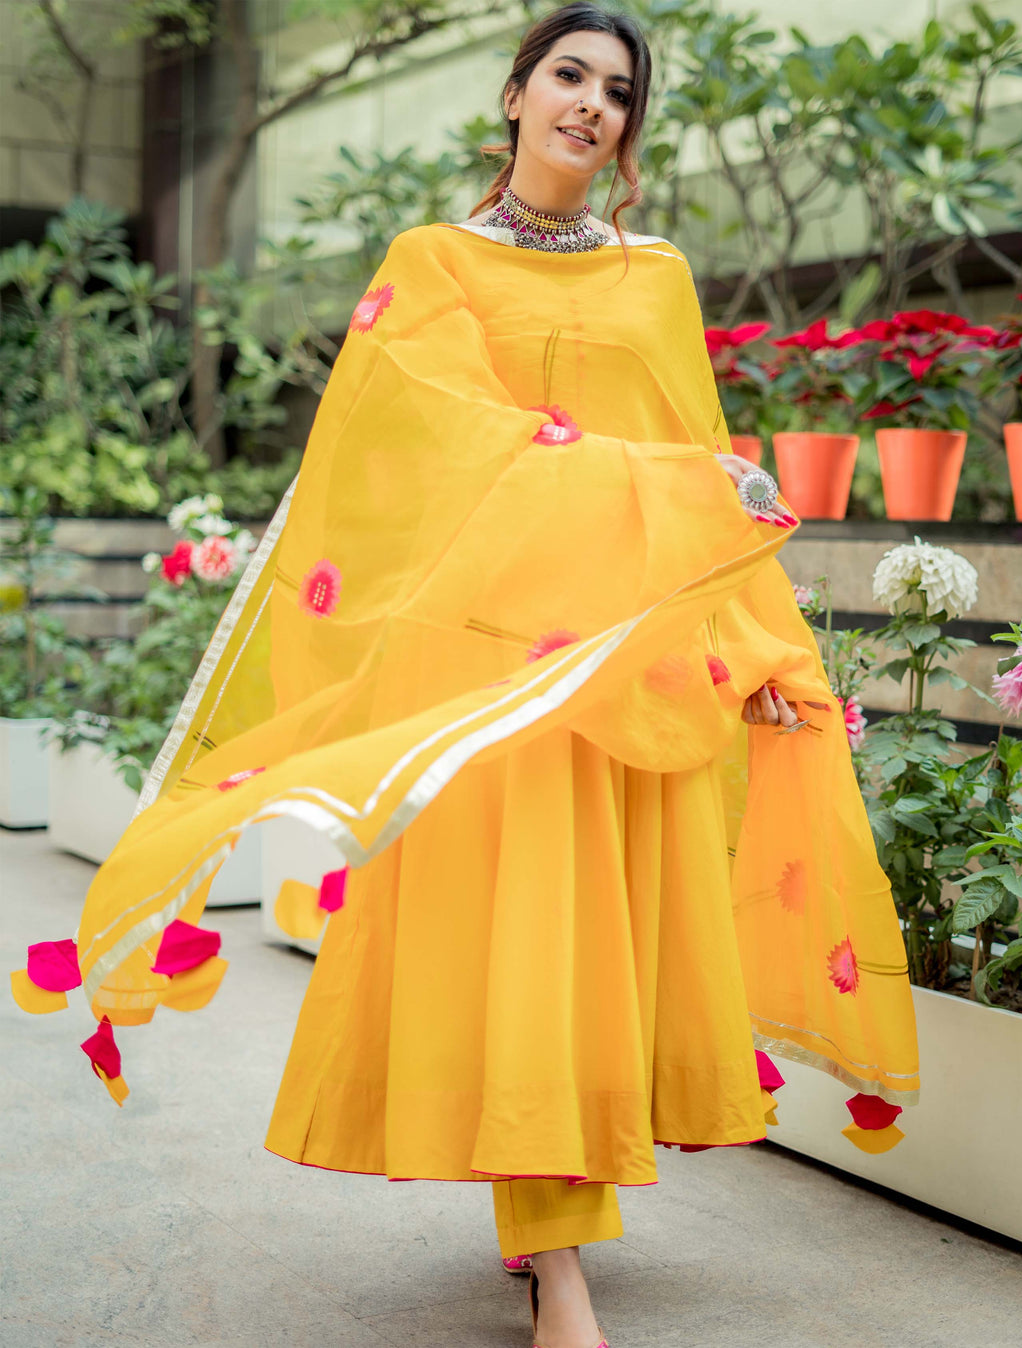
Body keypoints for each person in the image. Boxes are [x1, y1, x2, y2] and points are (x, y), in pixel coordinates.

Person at [10, 5, 919, 1347]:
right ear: (514, 93)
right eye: (568, 75)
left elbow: (705, 468)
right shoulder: (431, 264)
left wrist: (758, 650)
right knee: (523, 952)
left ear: (630, 127)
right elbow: (432, 451)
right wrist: (666, 481)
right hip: (488, 673)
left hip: (620, 667)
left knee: (589, 962)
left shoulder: (656, 278)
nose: (590, 104)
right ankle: (559, 1266)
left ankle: (551, 1233)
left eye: (618, 91)